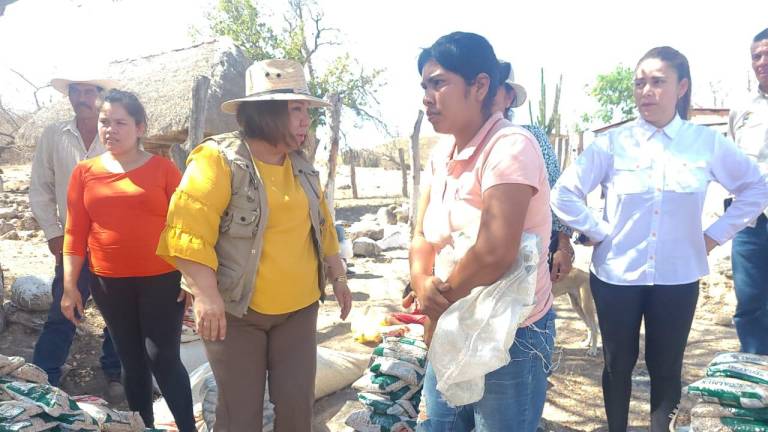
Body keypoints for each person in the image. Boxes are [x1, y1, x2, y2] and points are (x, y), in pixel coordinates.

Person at [551, 46, 768, 432]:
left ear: (681, 87)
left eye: (657, 82)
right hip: (617, 276)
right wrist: (599, 232)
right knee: (617, 364)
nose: (645, 91)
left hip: (678, 277)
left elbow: (755, 188)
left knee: (666, 369)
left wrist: (714, 236)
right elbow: (564, 192)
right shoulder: (612, 144)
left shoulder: (706, 144)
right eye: (639, 83)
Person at [156, 59, 352, 432]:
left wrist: (338, 276)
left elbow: (323, 226)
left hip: (299, 310)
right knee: (239, 416)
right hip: (236, 313)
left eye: (306, 111)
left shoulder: (302, 167)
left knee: (296, 411)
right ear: (267, 111)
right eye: (296, 110)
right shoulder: (217, 159)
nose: (304, 121)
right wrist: (207, 296)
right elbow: (187, 228)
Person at [410, 32, 555, 432]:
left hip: (508, 336)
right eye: (424, 85)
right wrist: (421, 281)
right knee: (438, 425)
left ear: (479, 87)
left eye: (439, 83)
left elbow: (494, 252)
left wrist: (436, 305)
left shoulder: (510, 147)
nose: (427, 96)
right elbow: (422, 235)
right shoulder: (442, 156)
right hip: (452, 321)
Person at [60, 89, 194, 431]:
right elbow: (75, 233)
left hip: (163, 280)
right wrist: (70, 285)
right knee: (132, 362)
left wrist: (191, 278)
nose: (110, 130)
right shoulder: (84, 173)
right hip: (108, 283)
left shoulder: (164, 170)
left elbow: (187, 228)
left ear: (140, 127)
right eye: (105, 122)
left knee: (162, 359)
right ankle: (143, 427)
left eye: (120, 122)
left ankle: (187, 427)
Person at [28, 76, 123, 394]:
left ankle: (116, 373)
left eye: (89, 91)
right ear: (69, 96)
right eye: (76, 91)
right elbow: (40, 187)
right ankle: (45, 376)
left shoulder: (115, 132)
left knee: (117, 312)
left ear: (99, 95)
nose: (82, 97)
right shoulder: (55, 135)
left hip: (114, 242)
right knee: (64, 308)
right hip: (72, 242)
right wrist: (53, 234)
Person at [494, 61, 575, 281]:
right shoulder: (463, 145)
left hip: (529, 261)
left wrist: (564, 245)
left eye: (493, 88)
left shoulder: (531, 137)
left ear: (509, 97)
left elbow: (557, 192)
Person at [728, 27, 768, 355]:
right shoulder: (742, 109)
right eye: (756, 56)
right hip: (750, 224)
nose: (762, 61)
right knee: (749, 301)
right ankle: (756, 384)